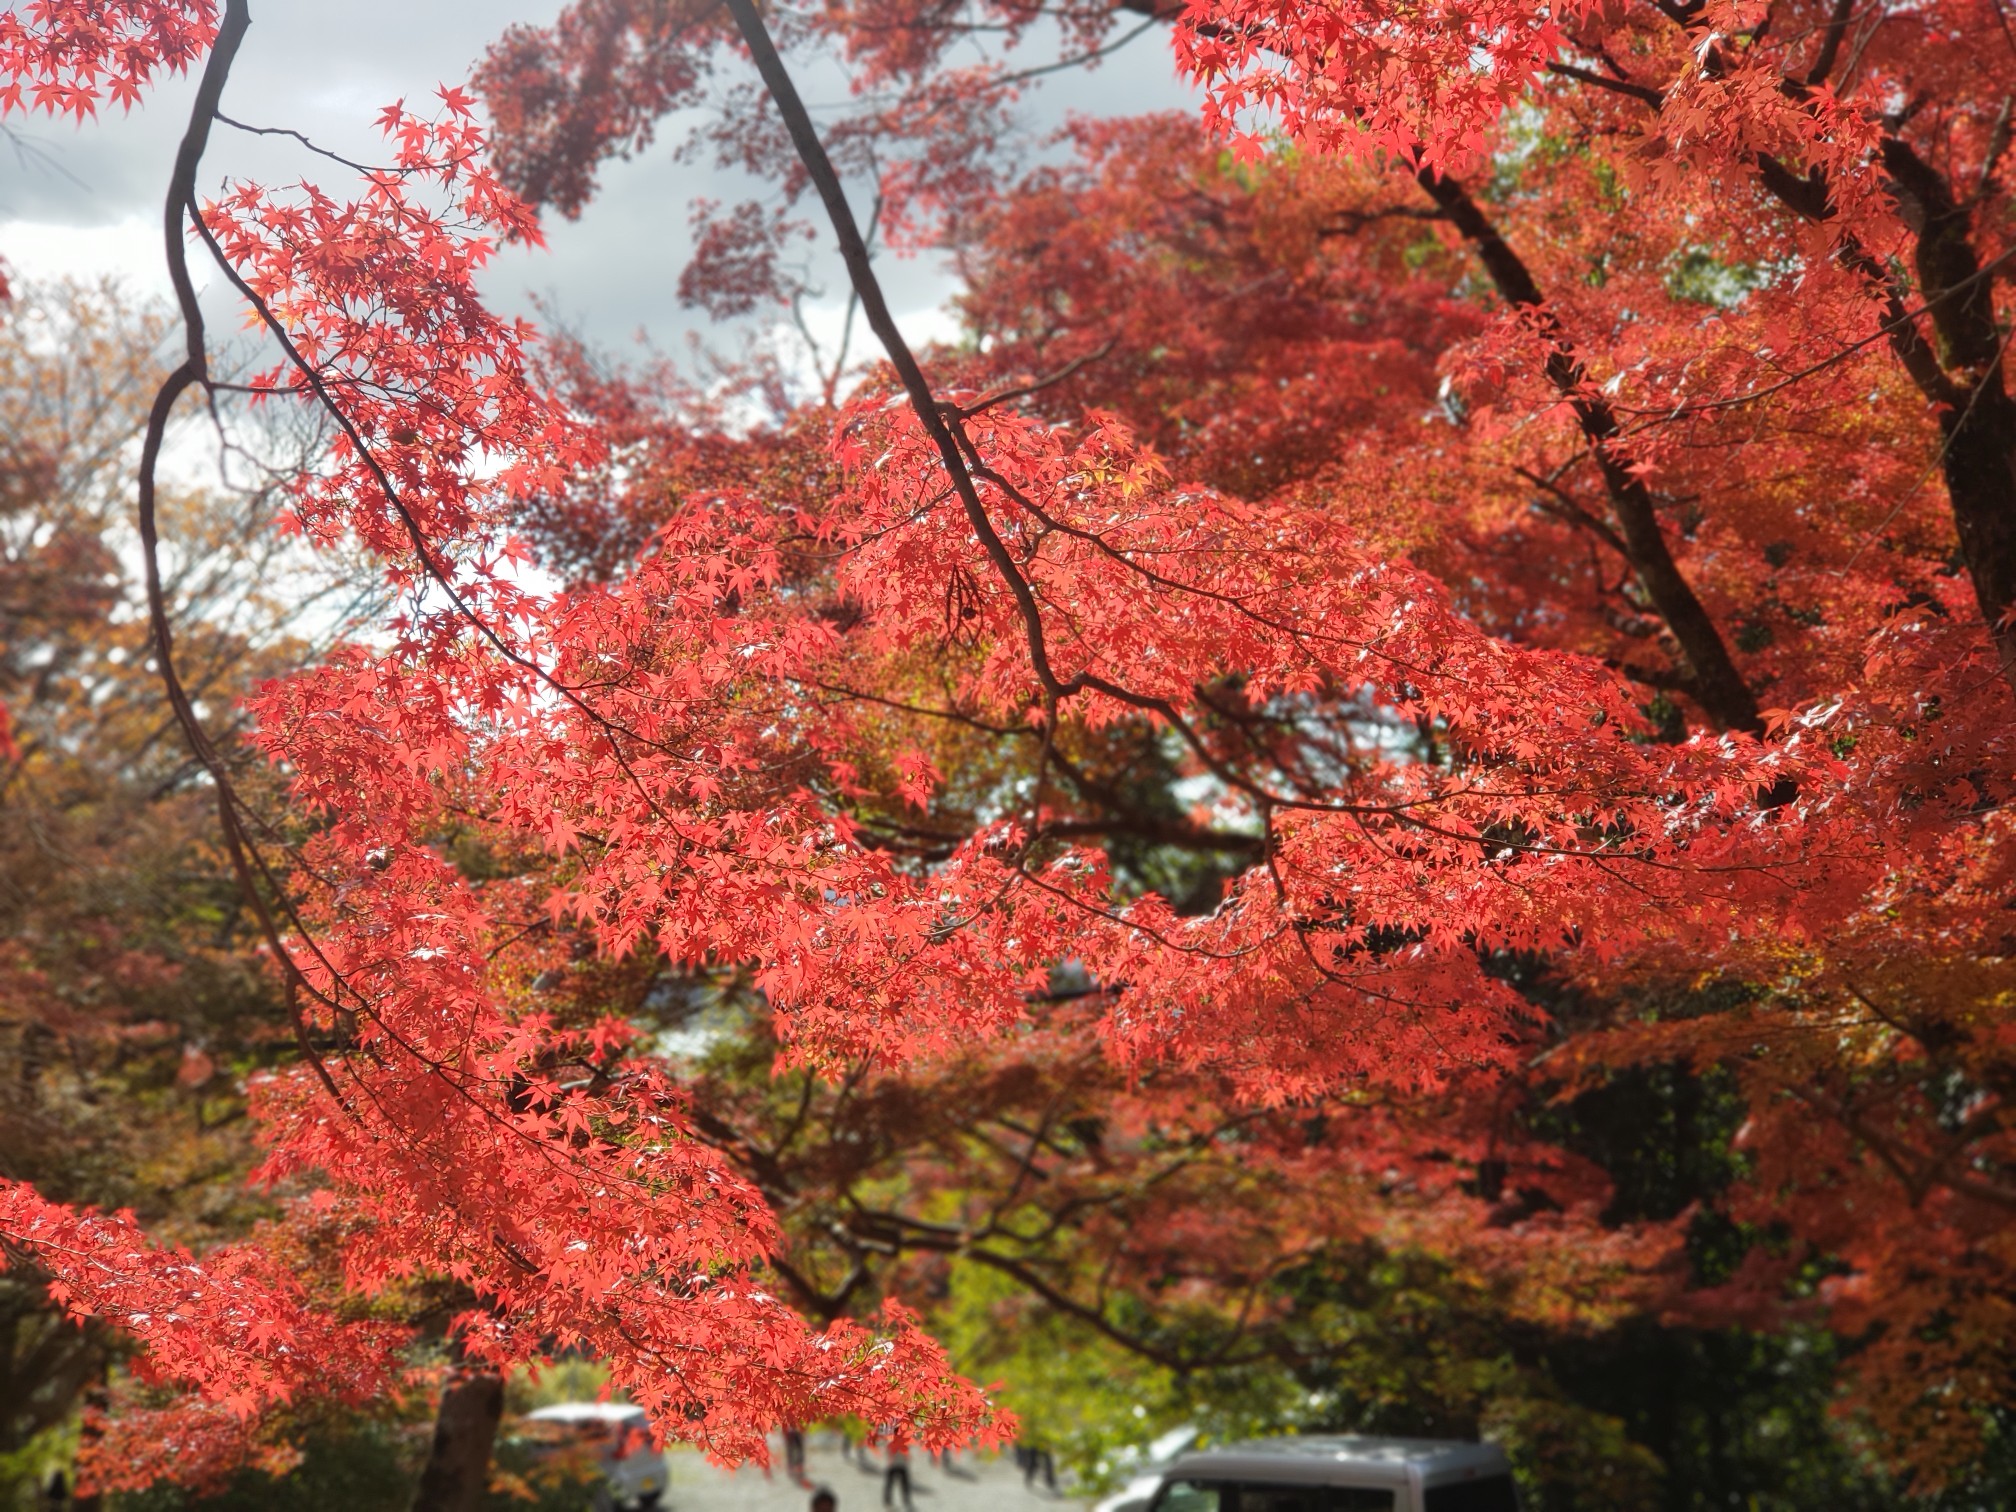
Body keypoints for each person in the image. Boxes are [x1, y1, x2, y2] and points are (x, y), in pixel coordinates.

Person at [882, 1443, 914, 1510]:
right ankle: (888, 1501)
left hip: (901, 1465)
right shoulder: (891, 1440)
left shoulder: (904, 1440)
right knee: (890, 1484)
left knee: (904, 1484)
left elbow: (907, 1452)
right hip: (893, 1465)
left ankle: (906, 1501)